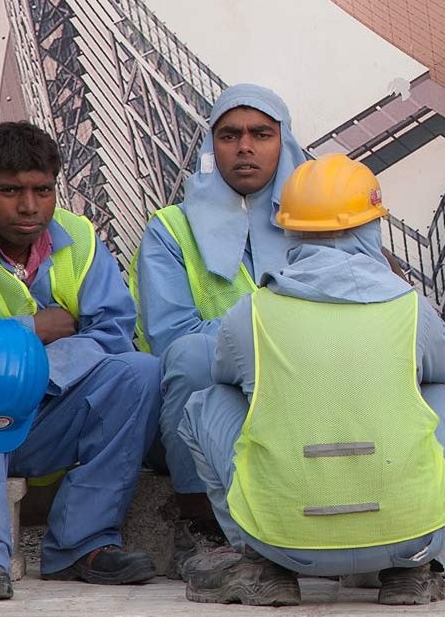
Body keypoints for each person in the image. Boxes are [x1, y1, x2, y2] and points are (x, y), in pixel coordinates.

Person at [178, 154, 445, 607]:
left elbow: (224, 376)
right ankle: (416, 567)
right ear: (370, 228)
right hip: (403, 536)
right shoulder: (410, 307)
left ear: (288, 230)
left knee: (209, 402)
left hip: (285, 541)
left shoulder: (252, 313)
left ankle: (260, 563)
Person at [0, 122, 161, 600]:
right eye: (11, 191)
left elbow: (112, 333)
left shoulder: (79, 236)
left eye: (42, 190)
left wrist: (40, 371)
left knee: (140, 372)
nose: (29, 207)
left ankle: (83, 544)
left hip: (44, 412)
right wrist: (32, 333)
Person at [131, 85, 303, 564]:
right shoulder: (171, 228)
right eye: (230, 134)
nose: (244, 146)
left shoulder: (320, 220)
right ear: (212, 147)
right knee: (191, 355)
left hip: (307, 388)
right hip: (220, 395)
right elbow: (173, 337)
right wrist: (273, 336)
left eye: (261, 134)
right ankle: (199, 522)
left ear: (284, 143)